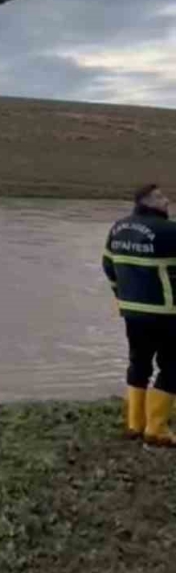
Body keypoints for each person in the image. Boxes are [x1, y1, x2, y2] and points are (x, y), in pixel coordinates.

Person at [103, 183, 176, 446]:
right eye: (160, 197)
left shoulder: (118, 228)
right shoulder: (169, 230)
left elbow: (108, 264)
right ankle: (156, 428)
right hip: (167, 312)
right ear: (146, 202)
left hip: (132, 311)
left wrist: (121, 295)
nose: (166, 200)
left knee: (139, 363)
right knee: (172, 366)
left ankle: (135, 424)